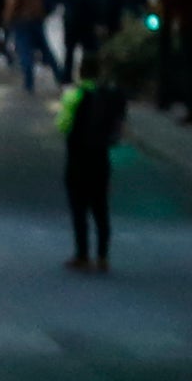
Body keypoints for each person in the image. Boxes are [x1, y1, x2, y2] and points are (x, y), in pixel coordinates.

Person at [57, 70, 127, 273]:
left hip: (77, 158)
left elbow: (62, 125)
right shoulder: (112, 96)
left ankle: (82, 255)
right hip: (100, 158)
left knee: (79, 208)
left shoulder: (75, 95)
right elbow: (118, 130)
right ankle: (103, 256)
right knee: (100, 208)